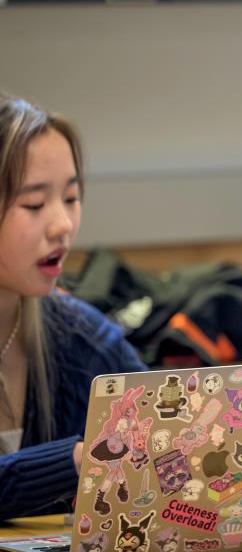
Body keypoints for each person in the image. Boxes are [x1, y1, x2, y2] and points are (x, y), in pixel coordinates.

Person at [0, 93, 146, 518]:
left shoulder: (79, 335)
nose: (63, 224)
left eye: (71, 197)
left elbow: (163, 430)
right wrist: (77, 460)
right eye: (33, 204)